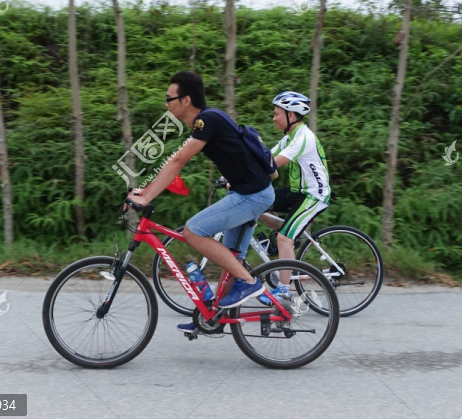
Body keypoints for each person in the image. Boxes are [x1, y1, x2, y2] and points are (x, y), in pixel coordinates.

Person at [128, 71, 275, 333]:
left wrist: (146, 197)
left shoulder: (206, 120)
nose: (166, 104)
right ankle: (215, 319)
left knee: (193, 231)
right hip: (248, 193)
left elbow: (177, 162)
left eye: (169, 98)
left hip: (252, 196)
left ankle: (249, 283)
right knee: (231, 258)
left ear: (185, 100)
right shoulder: (206, 122)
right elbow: (175, 162)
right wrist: (146, 190)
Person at [258, 90, 331, 305]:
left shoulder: (303, 137)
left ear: (291, 115)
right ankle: (286, 243)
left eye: (276, 113)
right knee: (258, 202)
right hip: (296, 192)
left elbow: (272, 165)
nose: (273, 118)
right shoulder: (289, 137)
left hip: (314, 196)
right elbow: (266, 157)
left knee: (284, 239)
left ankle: (283, 292)